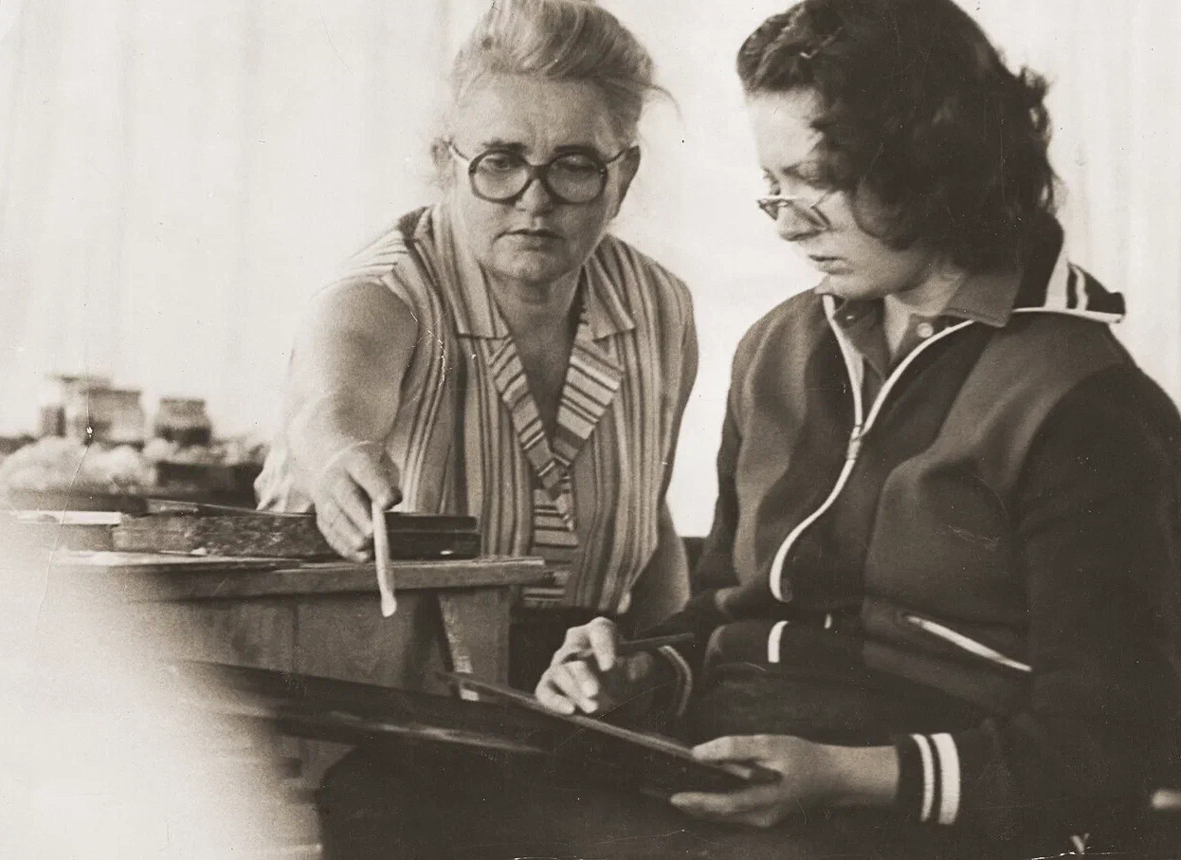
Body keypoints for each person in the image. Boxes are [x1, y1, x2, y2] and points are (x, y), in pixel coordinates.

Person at [320, 0, 1181, 857]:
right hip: (738, 767)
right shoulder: (781, 347)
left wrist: (846, 775)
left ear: (933, 160)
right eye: (776, 184)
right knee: (383, 793)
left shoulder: (1084, 404)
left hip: (917, 805)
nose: (788, 219)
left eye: (820, 179)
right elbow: (725, 615)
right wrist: (638, 672)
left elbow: (1115, 747)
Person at [255, 0, 697, 684]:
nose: (535, 198)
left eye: (575, 165)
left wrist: (659, 673)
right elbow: (329, 411)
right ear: (446, 162)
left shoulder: (659, 306)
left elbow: (654, 519)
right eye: (501, 161)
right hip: (376, 688)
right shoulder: (385, 293)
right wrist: (340, 461)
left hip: (576, 697)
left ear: (624, 174)